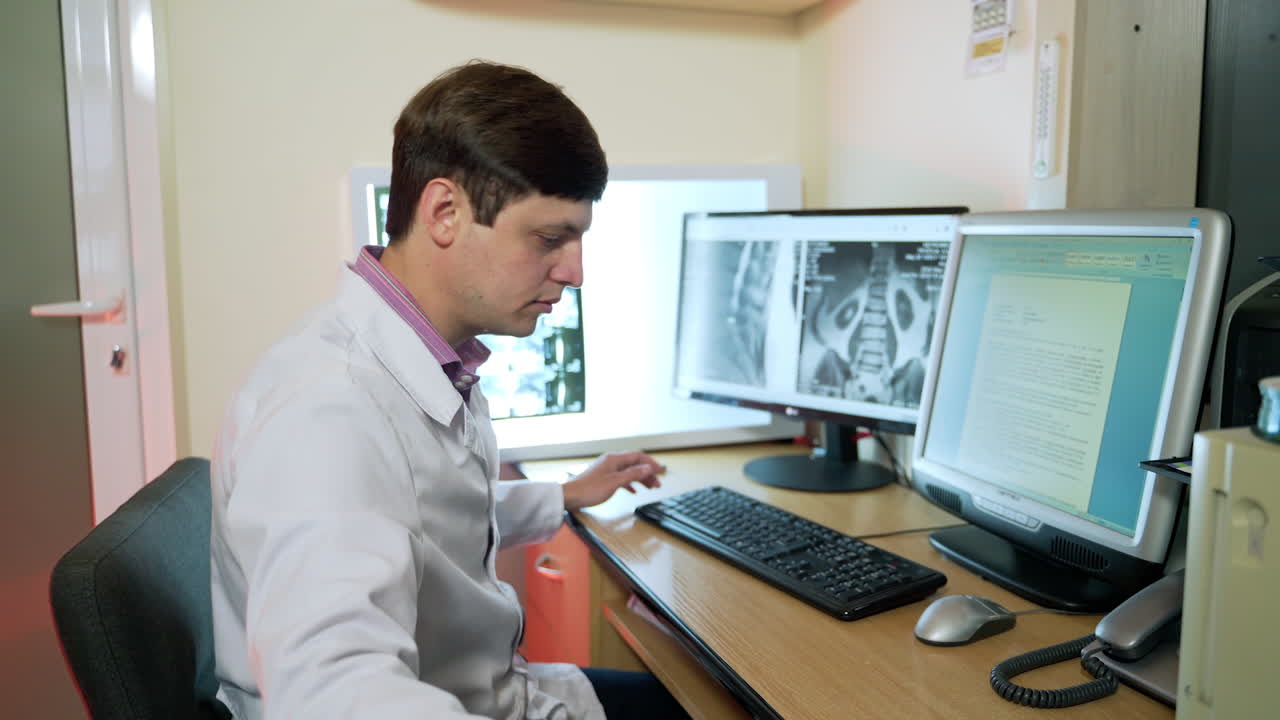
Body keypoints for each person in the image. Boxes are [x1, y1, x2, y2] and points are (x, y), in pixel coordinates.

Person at [210, 61, 689, 720]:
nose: (574, 272)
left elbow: (419, 511)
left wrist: (560, 496)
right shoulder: (329, 411)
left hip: (496, 691)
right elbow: (330, 694)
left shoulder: (423, 359)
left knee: (700, 698)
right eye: (551, 238)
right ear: (445, 212)